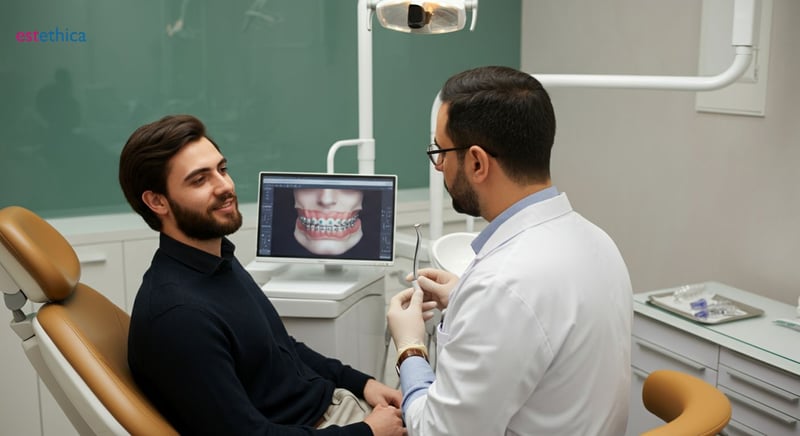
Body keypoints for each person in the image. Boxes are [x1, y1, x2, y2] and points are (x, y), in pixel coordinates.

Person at [118, 114, 406, 436]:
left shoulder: (218, 261)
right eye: (200, 180)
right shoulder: (179, 315)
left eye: (222, 169)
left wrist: (361, 383)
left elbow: (281, 347)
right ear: (157, 201)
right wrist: (367, 432)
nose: (225, 186)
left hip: (335, 409)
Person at [386, 66, 633, 435]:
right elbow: (546, 330)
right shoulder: (597, 241)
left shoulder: (503, 286)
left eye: (440, 152)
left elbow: (437, 432)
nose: (438, 166)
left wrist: (409, 347)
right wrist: (463, 296)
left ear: (476, 162)